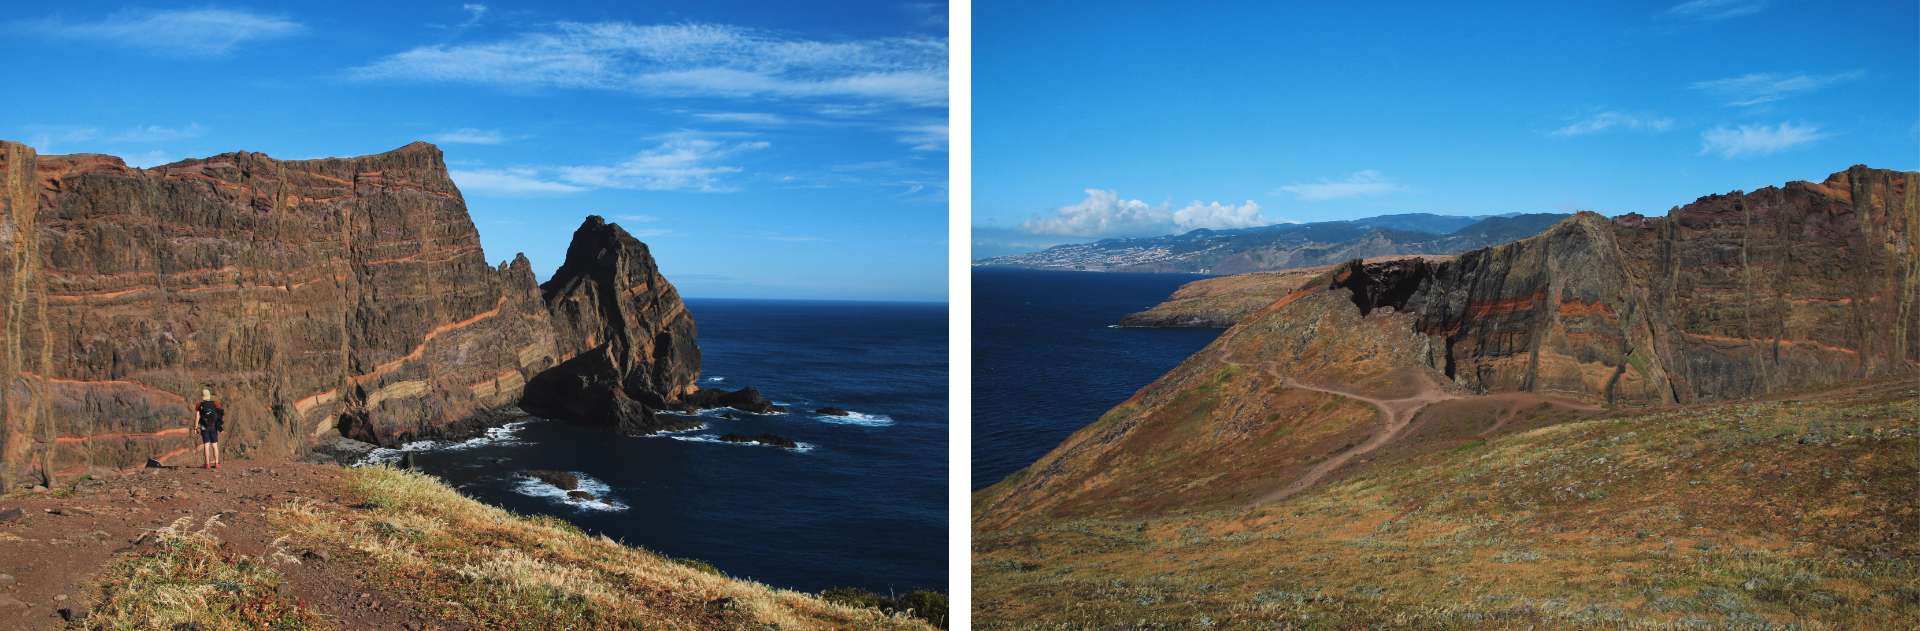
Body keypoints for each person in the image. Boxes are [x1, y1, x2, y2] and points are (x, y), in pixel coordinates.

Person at [196, 389, 224, 469]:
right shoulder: (215, 404)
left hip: (204, 427)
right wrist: (220, 426)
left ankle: (207, 463)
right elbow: (219, 415)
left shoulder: (199, 405)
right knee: (215, 445)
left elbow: (197, 417)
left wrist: (195, 428)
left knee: (206, 445)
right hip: (213, 426)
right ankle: (216, 463)